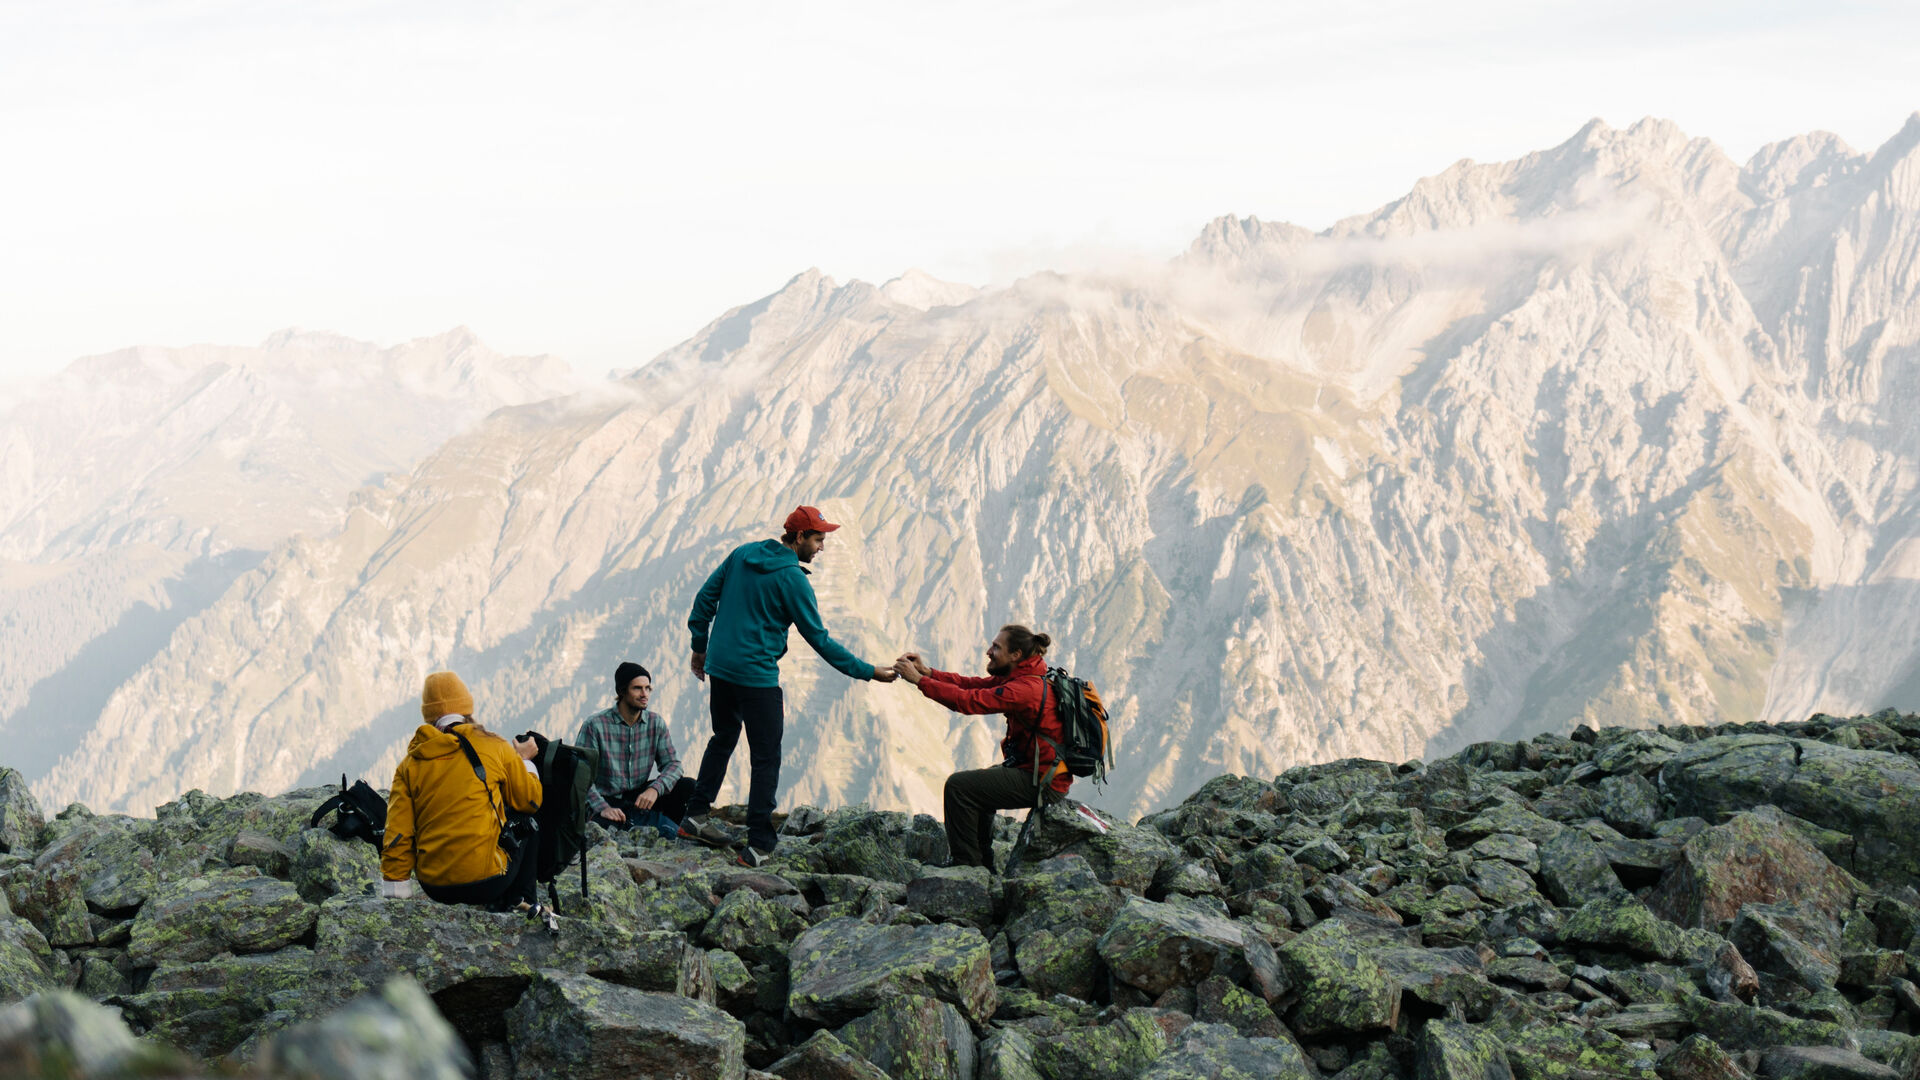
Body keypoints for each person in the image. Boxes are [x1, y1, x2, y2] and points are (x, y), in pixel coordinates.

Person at [682, 505, 899, 866]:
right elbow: (820, 639)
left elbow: (705, 599)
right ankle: (759, 845)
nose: (822, 547)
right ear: (799, 537)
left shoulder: (742, 554)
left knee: (723, 737)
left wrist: (699, 647)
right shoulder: (792, 580)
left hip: (720, 668)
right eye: (818, 539)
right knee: (766, 757)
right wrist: (867, 671)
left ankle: (695, 816)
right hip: (756, 677)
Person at [895, 625, 1071, 871]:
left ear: (1016, 655)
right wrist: (929, 672)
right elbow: (972, 685)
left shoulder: (1025, 689)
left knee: (959, 787)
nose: (989, 651)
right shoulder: (1025, 676)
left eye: (996, 647)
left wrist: (920, 681)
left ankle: (966, 865)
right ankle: (983, 864)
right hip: (1038, 771)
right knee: (978, 787)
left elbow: (968, 701)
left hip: (1043, 782)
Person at [380, 671, 545, 910]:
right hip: (488, 882)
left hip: (435, 886)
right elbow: (530, 800)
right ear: (467, 708)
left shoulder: (410, 764)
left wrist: (396, 886)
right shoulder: (495, 746)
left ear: (429, 716)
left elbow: (397, 831)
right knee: (526, 821)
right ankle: (523, 903)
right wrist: (525, 762)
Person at [574, 661, 697, 838]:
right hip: (607, 800)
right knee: (608, 826)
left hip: (640, 797)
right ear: (622, 691)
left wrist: (655, 789)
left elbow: (674, 765)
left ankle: (671, 830)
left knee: (688, 786)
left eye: (648, 688)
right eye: (637, 688)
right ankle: (653, 828)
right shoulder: (595, 725)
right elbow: (580, 775)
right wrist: (602, 808)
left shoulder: (655, 723)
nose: (644, 694)